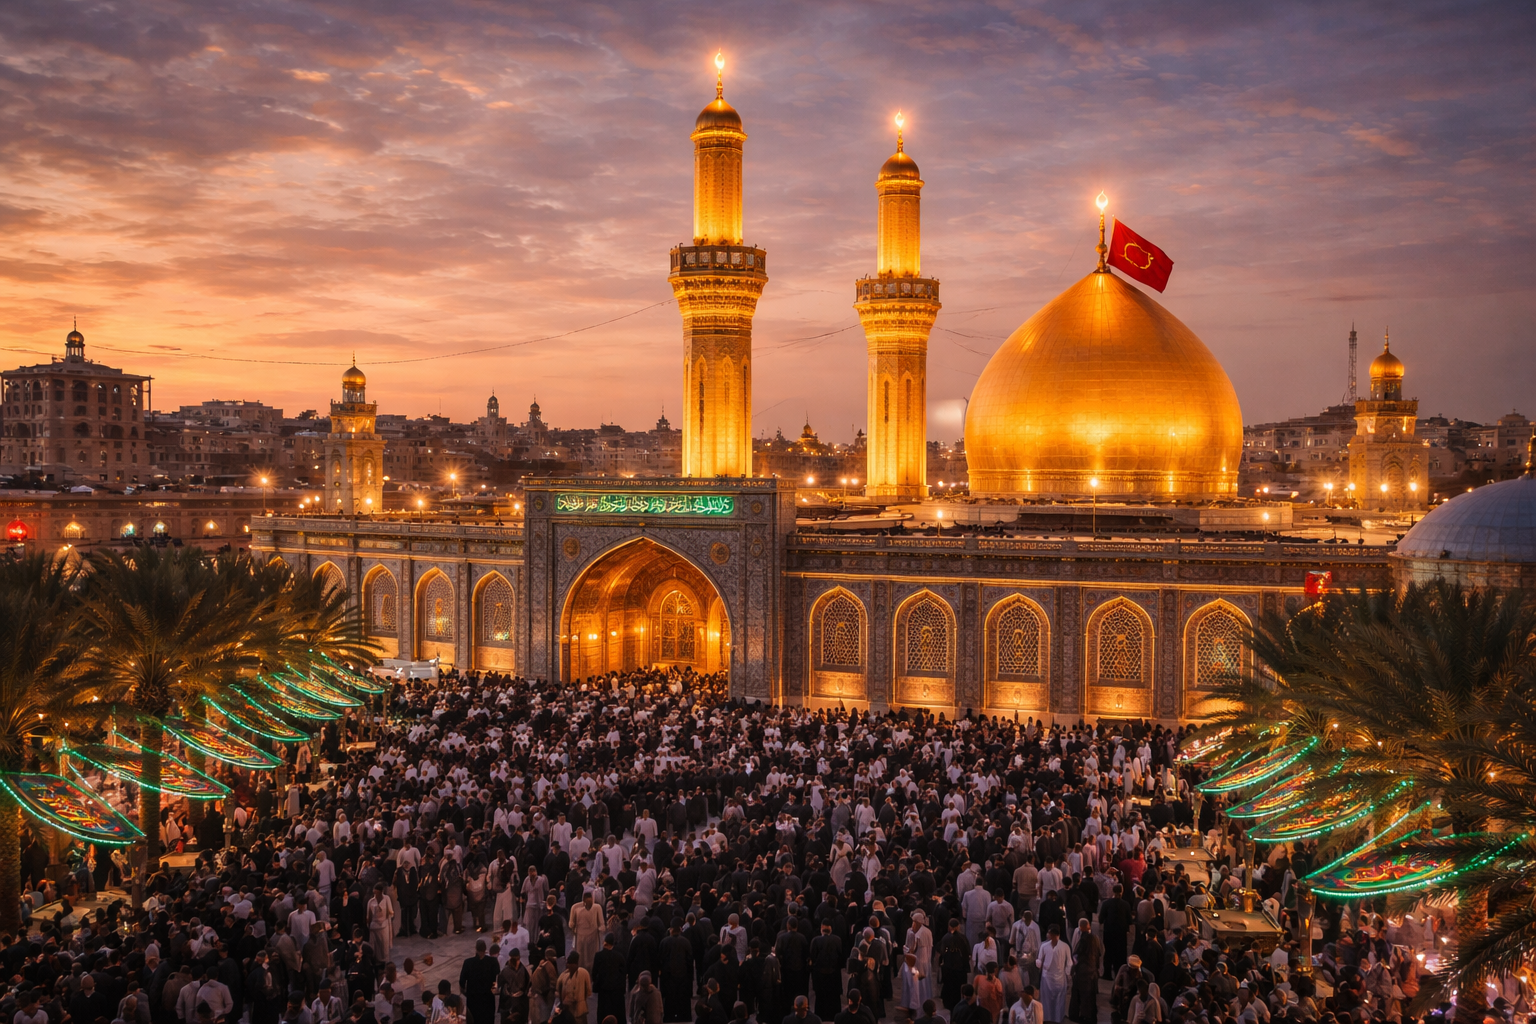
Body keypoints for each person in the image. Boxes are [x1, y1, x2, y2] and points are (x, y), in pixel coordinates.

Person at [1068, 919, 1101, 1024]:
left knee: (1079, 995)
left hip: (1082, 972)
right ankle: (1090, 1017)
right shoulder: (1095, 939)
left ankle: (1079, 1016)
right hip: (1092, 972)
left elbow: (1076, 955)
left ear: (1081, 928)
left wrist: (1074, 967)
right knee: (1090, 996)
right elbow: (1099, 953)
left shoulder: (1083, 940)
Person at [460, 940, 500, 1024]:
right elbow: (497, 979)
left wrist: (467, 994)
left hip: (473, 1001)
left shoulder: (468, 963)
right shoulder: (493, 962)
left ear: (476, 949)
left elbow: (461, 983)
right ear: (485, 949)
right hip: (488, 1000)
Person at [1037, 928, 1071, 1024]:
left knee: (1059, 1000)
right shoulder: (1044, 946)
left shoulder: (1065, 946)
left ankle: (1057, 1018)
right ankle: (1046, 1017)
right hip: (1046, 977)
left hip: (1059, 977)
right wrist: (1038, 963)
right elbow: (1040, 959)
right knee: (1046, 999)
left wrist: (1068, 975)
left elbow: (1069, 962)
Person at [497, 949, 531, 1024]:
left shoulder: (505, 970)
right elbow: (527, 985)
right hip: (520, 1003)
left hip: (508, 1003)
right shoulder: (523, 970)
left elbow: (499, 983)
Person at [555, 953, 591, 1022]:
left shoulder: (563, 975)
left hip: (568, 1008)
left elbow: (558, 991)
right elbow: (589, 991)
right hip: (580, 1008)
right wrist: (582, 999)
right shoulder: (584, 972)